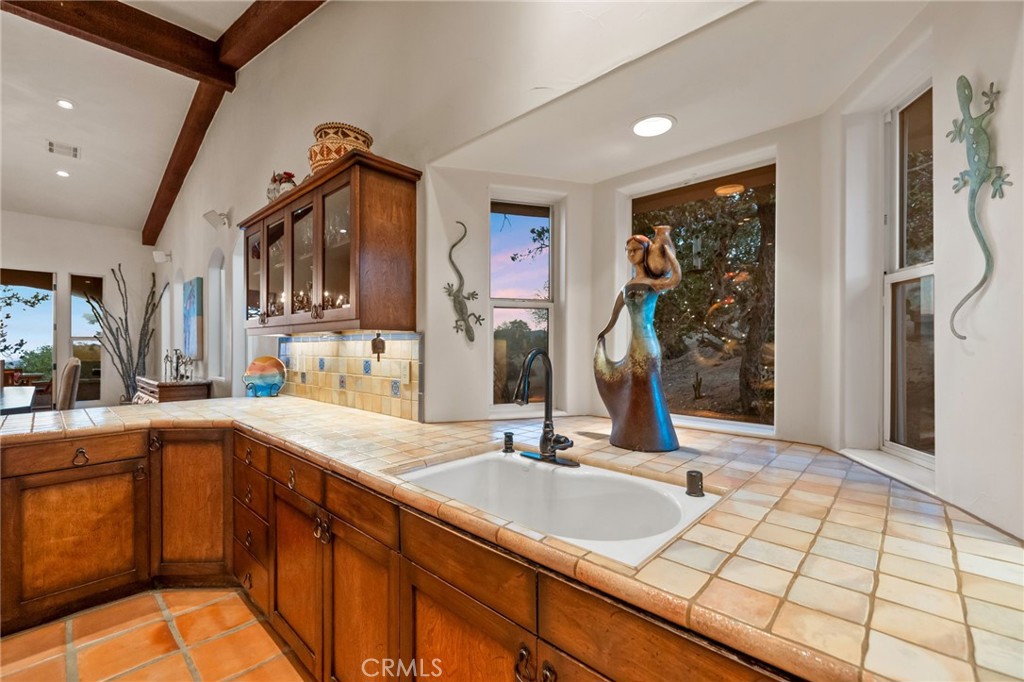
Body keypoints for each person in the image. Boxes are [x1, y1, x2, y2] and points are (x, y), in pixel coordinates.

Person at [594, 232, 681, 451]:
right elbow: (614, 315)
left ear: (647, 251)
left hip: (648, 343)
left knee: (647, 383)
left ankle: (654, 437)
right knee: (633, 384)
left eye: (636, 249)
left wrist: (667, 252)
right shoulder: (628, 286)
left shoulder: (654, 283)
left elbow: (676, 278)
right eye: (628, 250)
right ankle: (632, 434)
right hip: (634, 344)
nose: (631, 254)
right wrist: (604, 332)